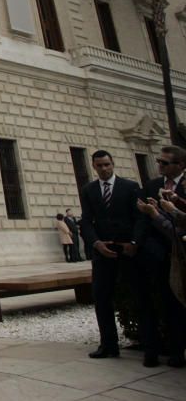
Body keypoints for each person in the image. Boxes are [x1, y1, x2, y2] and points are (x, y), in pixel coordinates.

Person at [79, 150, 158, 366]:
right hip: (103, 251)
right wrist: (96, 243)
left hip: (128, 250)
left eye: (107, 164)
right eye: (99, 166)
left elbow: (141, 219)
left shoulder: (130, 187)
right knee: (102, 297)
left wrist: (134, 244)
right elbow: (86, 221)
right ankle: (108, 344)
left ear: (113, 164)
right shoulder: (89, 190)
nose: (104, 169)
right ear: (94, 167)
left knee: (140, 297)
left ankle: (151, 348)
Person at [141, 146, 186, 367]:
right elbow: (144, 221)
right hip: (162, 255)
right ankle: (175, 351)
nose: (159, 165)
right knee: (169, 304)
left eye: (165, 163)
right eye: (158, 161)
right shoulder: (152, 186)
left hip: (183, 250)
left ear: (180, 165)